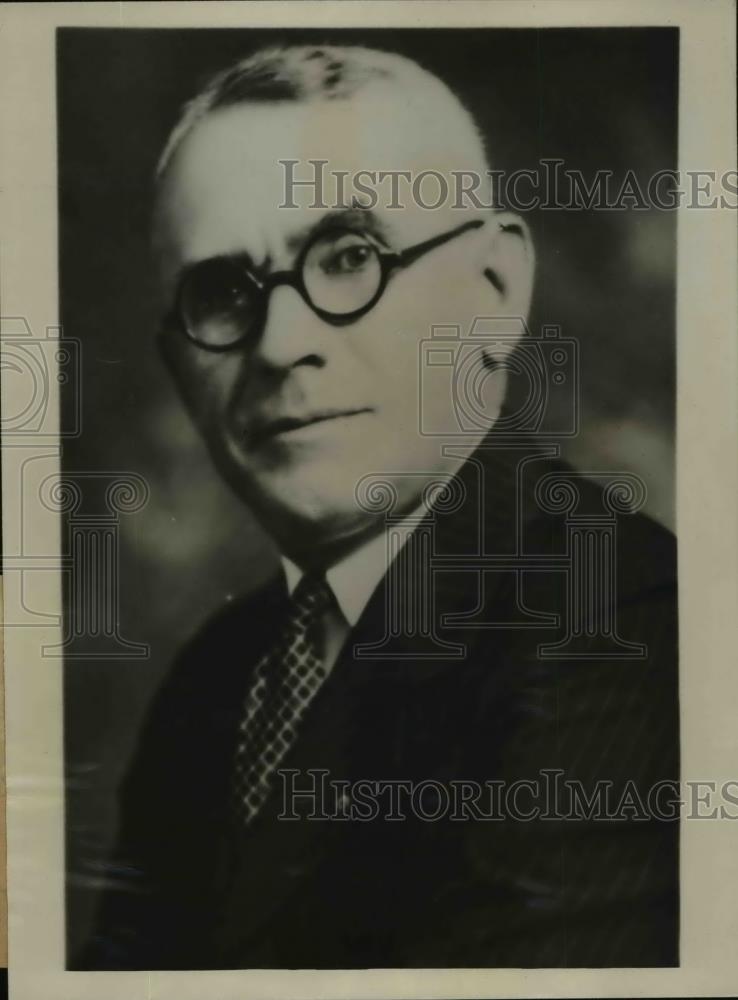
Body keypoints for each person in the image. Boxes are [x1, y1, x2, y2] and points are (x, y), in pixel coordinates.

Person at [80, 44, 679, 970]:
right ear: (175, 363)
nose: (281, 345)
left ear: (494, 292)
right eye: (221, 292)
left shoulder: (626, 622)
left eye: (349, 256)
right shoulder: (213, 683)